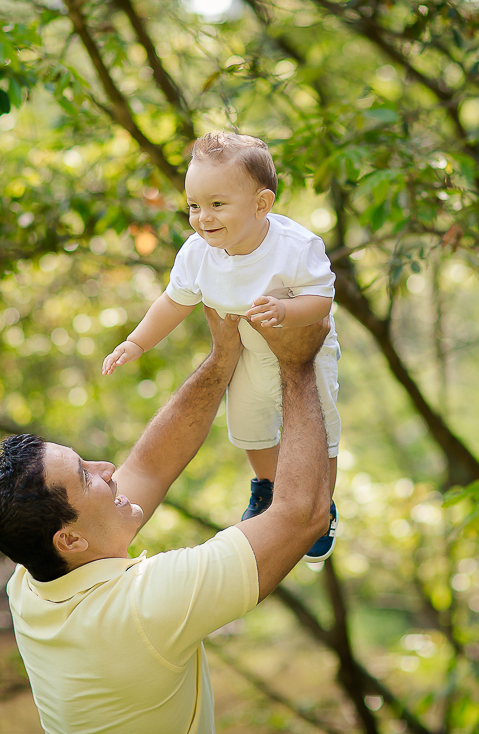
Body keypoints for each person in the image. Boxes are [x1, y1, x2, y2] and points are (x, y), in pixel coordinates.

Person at [0, 309, 332, 734]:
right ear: (69, 540)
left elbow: (148, 468)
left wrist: (222, 359)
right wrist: (297, 365)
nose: (108, 468)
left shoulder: (30, 582)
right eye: (86, 476)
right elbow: (303, 515)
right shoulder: (144, 608)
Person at [101, 131, 341, 561]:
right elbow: (173, 302)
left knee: (319, 424)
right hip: (247, 350)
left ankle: (321, 502)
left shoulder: (295, 248)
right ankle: (267, 487)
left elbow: (322, 301)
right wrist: (137, 342)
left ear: (261, 204)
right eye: (194, 206)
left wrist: (287, 311)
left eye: (216, 204)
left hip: (305, 349)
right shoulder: (198, 253)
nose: (202, 218)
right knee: (248, 424)